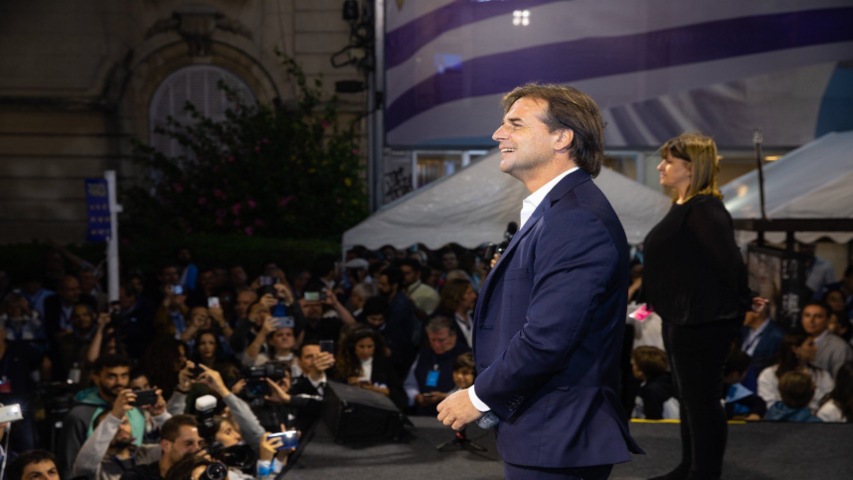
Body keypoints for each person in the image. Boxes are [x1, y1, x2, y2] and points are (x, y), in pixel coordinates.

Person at [436, 83, 641, 479]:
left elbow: (548, 338)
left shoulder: (575, 219)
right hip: (546, 430)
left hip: (557, 433)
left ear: (561, 137)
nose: (499, 134)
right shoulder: (560, 211)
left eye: (515, 124)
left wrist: (477, 397)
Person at [642, 132, 762, 480]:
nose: (661, 167)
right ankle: (689, 466)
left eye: (668, 161)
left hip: (702, 321)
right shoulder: (684, 205)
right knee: (690, 397)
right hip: (682, 316)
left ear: (691, 168)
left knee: (702, 400)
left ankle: (703, 472)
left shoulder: (705, 209)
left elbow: (728, 261)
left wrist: (744, 295)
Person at [406, 317, 470, 416]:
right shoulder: (424, 354)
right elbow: (410, 383)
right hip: (423, 414)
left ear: (453, 337)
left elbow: (471, 389)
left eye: (441, 340)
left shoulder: (466, 356)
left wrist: (446, 396)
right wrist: (416, 396)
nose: (436, 345)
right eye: (432, 340)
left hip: (454, 413)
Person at [756, 333, 833, 412]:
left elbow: (829, 403)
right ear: (795, 349)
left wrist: (812, 386)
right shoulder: (769, 375)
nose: (815, 348)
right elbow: (770, 405)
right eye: (810, 344)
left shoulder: (822, 375)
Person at [119, 414, 203, 480]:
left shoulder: (202, 475)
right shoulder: (137, 477)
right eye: (188, 443)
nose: (197, 448)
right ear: (166, 446)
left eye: (200, 443)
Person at [800, 301, 853, 376]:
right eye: (807, 315)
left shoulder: (839, 347)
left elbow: (842, 381)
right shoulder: (796, 341)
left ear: (828, 320)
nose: (811, 320)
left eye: (818, 316)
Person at [630, 346, 679, 420]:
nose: (632, 366)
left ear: (641, 371)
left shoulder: (651, 391)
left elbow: (653, 422)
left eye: (634, 364)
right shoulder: (666, 382)